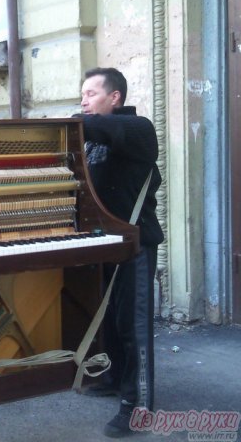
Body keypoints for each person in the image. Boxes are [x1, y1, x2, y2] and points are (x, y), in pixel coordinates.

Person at [79, 67, 163, 438]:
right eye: (81, 94)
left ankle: (138, 404)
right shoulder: (94, 136)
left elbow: (102, 128)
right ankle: (114, 378)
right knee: (110, 323)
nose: (83, 101)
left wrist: (70, 122)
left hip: (136, 244)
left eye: (91, 93)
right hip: (105, 243)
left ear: (115, 98)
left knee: (134, 326)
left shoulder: (137, 128)